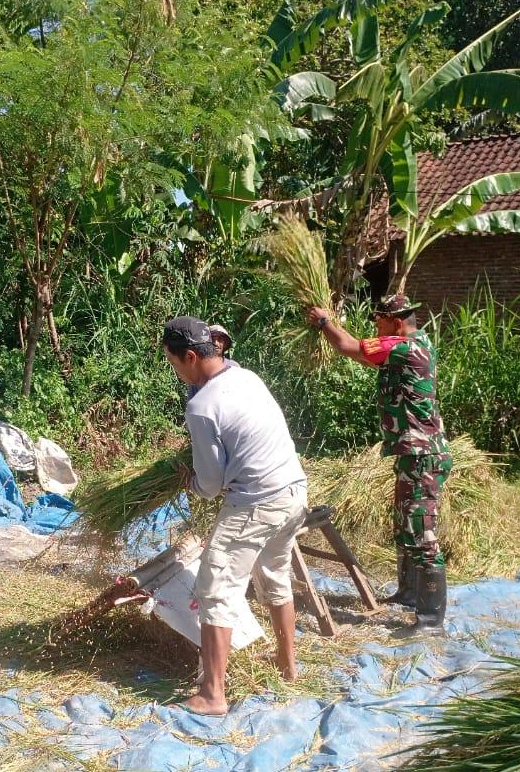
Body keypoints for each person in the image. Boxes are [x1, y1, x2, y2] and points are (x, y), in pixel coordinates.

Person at [162, 316, 308, 716]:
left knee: (216, 590)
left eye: (175, 363)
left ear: (191, 356)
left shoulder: (202, 407)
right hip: (293, 491)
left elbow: (210, 484)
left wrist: (187, 481)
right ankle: (287, 664)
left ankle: (212, 695)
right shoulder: (246, 377)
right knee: (275, 573)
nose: (176, 372)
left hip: (256, 502)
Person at [306, 293, 452, 637]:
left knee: (421, 532)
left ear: (397, 322)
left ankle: (431, 621)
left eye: (380, 321)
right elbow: (364, 355)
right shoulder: (410, 344)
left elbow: (349, 347)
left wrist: (324, 321)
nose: (376, 327)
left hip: (423, 456)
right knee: (404, 524)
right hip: (412, 454)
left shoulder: (404, 347)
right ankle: (410, 593)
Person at [185, 322, 237, 401]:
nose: (216, 343)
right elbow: (192, 399)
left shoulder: (233, 366)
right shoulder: (199, 368)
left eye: (220, 339)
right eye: (212, 339)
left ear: (225, 344)